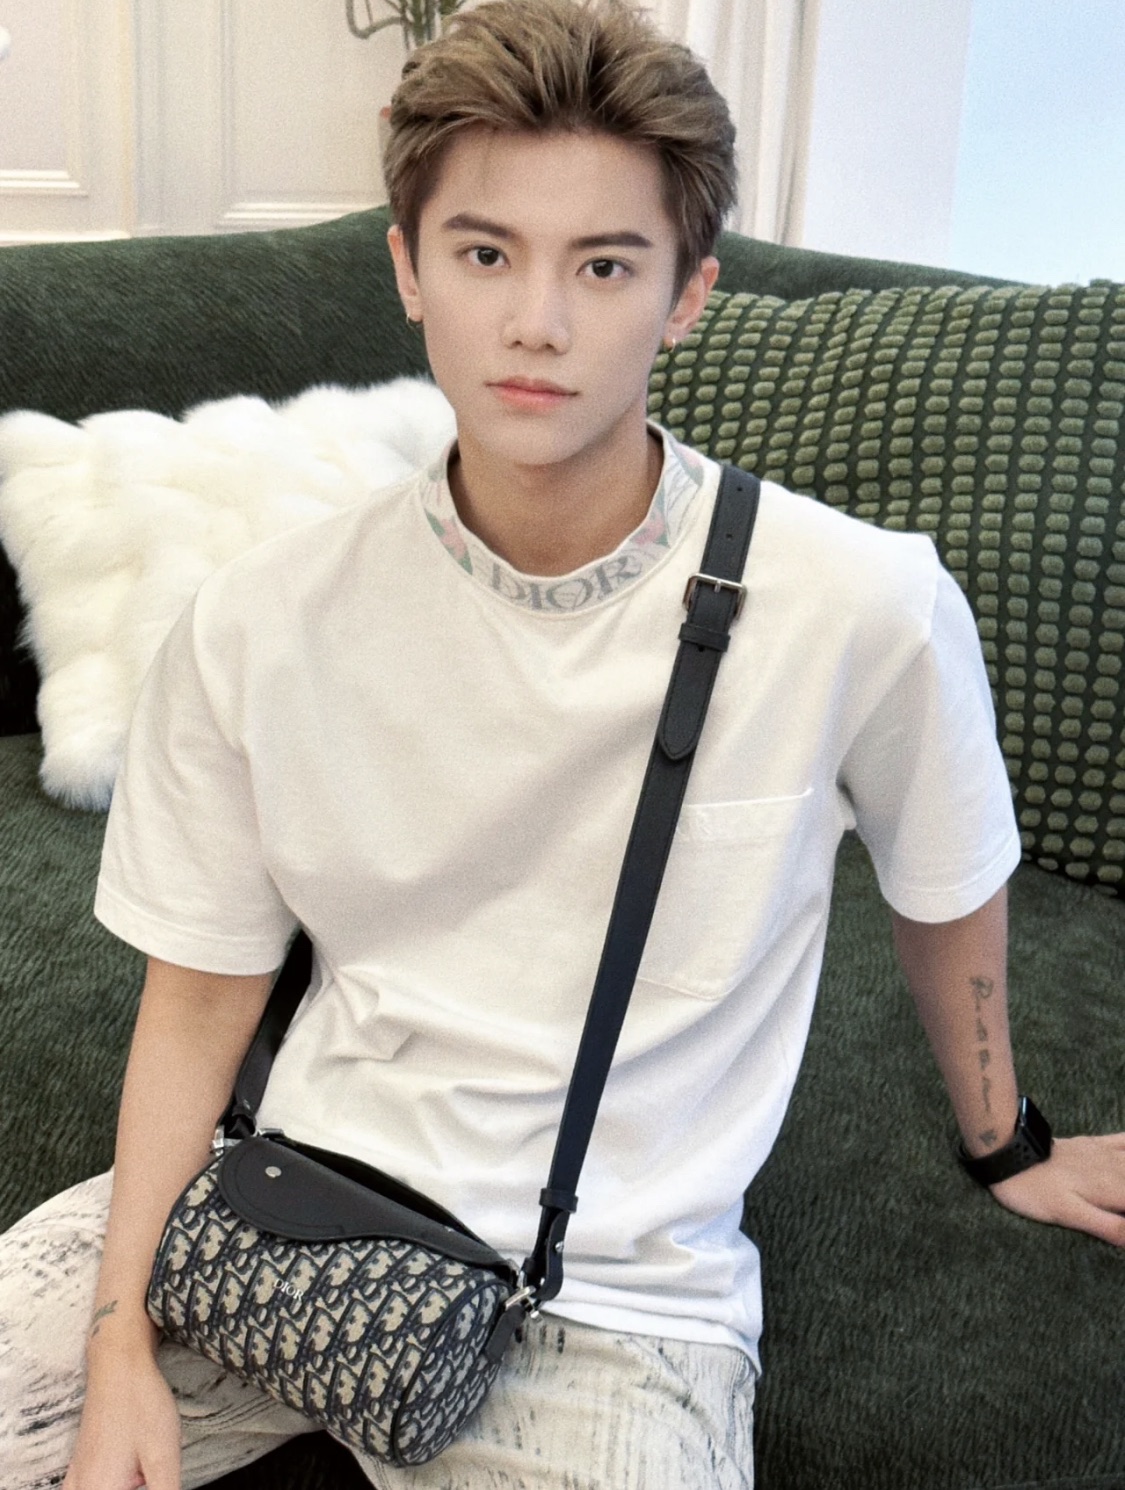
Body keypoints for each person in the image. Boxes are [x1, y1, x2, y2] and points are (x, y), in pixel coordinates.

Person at [2, 2, 1124, 1487]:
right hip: (280, 1207)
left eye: (603, 265)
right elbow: (201, 993)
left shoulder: (860, 605)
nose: (537, 321)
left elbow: (947, 886)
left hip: (618, 1309)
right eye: (485, 254)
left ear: (688, 295)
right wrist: (118, 1344)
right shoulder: (260, 617)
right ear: (407, 270)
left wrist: (1005, 1138)